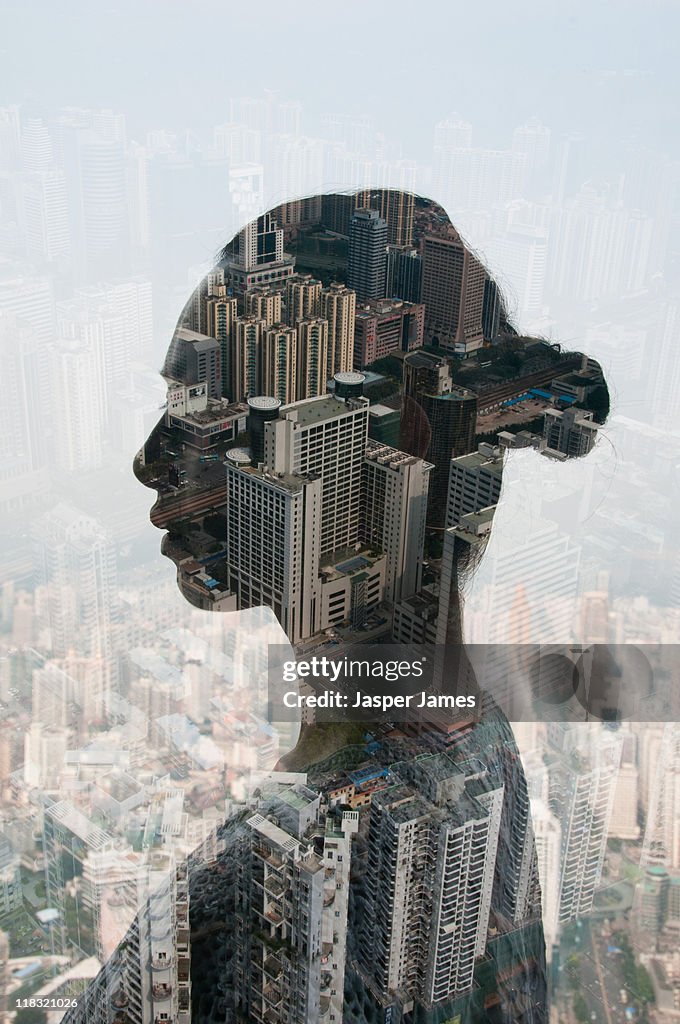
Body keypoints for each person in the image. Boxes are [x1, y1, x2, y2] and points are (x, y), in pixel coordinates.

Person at [72, 190, 610, 1024]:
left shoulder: (249, 894)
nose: (151, 462)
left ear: (360, 479)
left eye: (202, 417)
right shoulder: (480, 747)